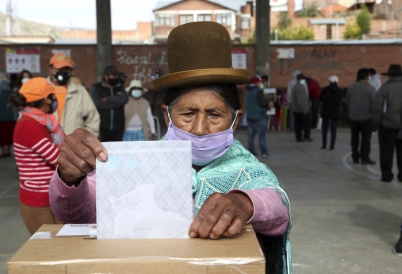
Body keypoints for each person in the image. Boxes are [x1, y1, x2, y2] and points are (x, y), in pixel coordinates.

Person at [49, 22, 292, 273]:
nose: (199, 128)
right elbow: (77, 212)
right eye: (187, 113)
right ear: (167, 116)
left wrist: (244, 203)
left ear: (235, 120)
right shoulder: (137, 165)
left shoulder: (249, 171)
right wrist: (70, 177)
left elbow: (278, 208)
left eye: (215, 114)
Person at [8, 78, 64, 235]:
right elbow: (58, 159)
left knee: (63, 248)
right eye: (52, 96)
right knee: (48, 253)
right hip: (38, 201)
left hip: (54, 197)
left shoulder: (45, 122)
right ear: (46, 99)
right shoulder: (28, 125)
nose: (55, 100)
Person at [48, 53, 100, 136]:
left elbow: (93, 119)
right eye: (59, 68)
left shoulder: (80, 91)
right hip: (45, 145)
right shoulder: (39, 90)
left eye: (67, 69)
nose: (63, 72)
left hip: (73, 146)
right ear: (50, 69)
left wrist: (85, 140)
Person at [372, 64, 402, 182]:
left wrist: (378, 121)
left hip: (387, 124)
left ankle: (387, 175)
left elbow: (377, 106)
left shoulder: (385, 88)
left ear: (390, 75)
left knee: (386, 152)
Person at [345, 68, 376, 165]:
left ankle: (355, 157)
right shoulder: (370, 88)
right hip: (367, 117)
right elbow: (374, 104)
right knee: (366, 139)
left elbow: (347, 102)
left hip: (353, 117)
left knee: (354, 138)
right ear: (365, 77)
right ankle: (365, 158)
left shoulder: (351, 87)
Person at [90, 66, 129, 142]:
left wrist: (108, 99)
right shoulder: (96, 87)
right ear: (106, 76)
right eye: (113, 76)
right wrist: (117, 104)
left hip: (118, 128)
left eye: (117, 76)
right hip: (101, 127)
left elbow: (125, 99)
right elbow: (97, 104)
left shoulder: (120, 87)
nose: (116, 77)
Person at [246, 75, 269, 157]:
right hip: (259, 117)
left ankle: (251, 151)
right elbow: (263, 103)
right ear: (256, 83)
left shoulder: (248, 91)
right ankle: (264, 152)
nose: (261, 83)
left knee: (251, 136)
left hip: (250, 117)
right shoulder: (258, 91)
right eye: (260, 82)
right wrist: (267, 105)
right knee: (262, 136)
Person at [320, 76, 342, 150]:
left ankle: (324, 145)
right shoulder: (339, 90)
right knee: (333, 130)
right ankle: (332, 146)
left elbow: (320, 98)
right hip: (335, 111)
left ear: (329, 81)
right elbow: (339, 100)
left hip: (326, 111)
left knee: (325, 129)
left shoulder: (325, 89)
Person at [292, 74, 313, 142]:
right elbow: (300, 100)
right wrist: (305, 110)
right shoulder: (299, 88)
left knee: (298, 124)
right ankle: (306, 137)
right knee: (306, 124)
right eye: (302, 79)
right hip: (301, 110)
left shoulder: (296, 87)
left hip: (296, 109)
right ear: (298, 79)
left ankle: (298, 138)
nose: (304, 81)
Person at [287, 69, 307, 134]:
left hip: (293, 102)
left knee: (293, 116)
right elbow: (306, 92)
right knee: (302, 117)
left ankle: (292, 129)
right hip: (302, 102)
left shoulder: (290, 82)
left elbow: (289, 93)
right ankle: (301, 129)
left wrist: (290, 101)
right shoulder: (303, 82)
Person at [0, 80, 16, 157]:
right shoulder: (12, 95)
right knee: (10, 135)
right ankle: (8, 150)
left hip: (1, 119)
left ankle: (3, 151)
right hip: (11, 118)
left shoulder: (0, 95)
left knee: (2, 136)